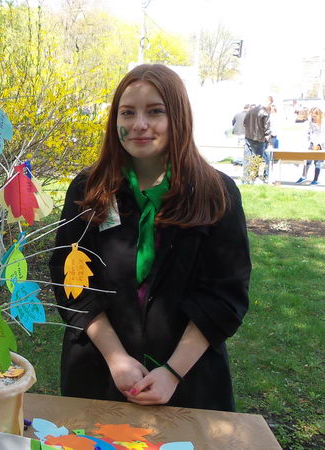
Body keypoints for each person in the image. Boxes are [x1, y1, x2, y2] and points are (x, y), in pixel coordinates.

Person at [49, 64, 251, 411]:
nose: (139, 124)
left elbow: (224, 295)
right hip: (100, 372)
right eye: (127, 112)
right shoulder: (90, 189)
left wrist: (172, 372)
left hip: (189, 380)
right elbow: (72, 282)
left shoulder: (215, 193)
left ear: (178, 118)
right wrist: (117, 359)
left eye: (155, 111)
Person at [297, 107, 325, 185]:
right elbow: (309, 132)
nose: (313, 118)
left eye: (314, 116)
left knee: (317, 162)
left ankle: (315, 179)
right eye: (312, 116)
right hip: (312, 143)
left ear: (318, 115)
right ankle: (303, 176)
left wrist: (319, 144)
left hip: (321, 144)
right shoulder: (311, 121)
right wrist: (309, 141)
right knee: (307, 161)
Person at [243, 97, 273, 182]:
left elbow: (244, 123)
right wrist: (268, 140)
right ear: (268, 102)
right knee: (260, 159)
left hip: (248, 138)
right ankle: (261, 178)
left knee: (247, 158)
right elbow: (267, 128)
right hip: (259, 139)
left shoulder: (251, 111)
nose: (270, 105)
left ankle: (246, 179)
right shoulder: (265, 112)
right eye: (270, 103)